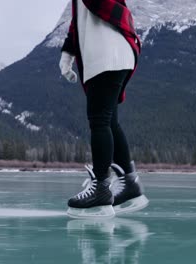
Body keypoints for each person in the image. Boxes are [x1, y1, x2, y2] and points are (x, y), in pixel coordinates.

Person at [59, 0, 149, 218]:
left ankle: (100, 187)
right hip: (112, 54)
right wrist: (67, 54)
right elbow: (78, 22)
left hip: (106, 54)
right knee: (108, 121)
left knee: (99, 120)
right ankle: (129, 184)